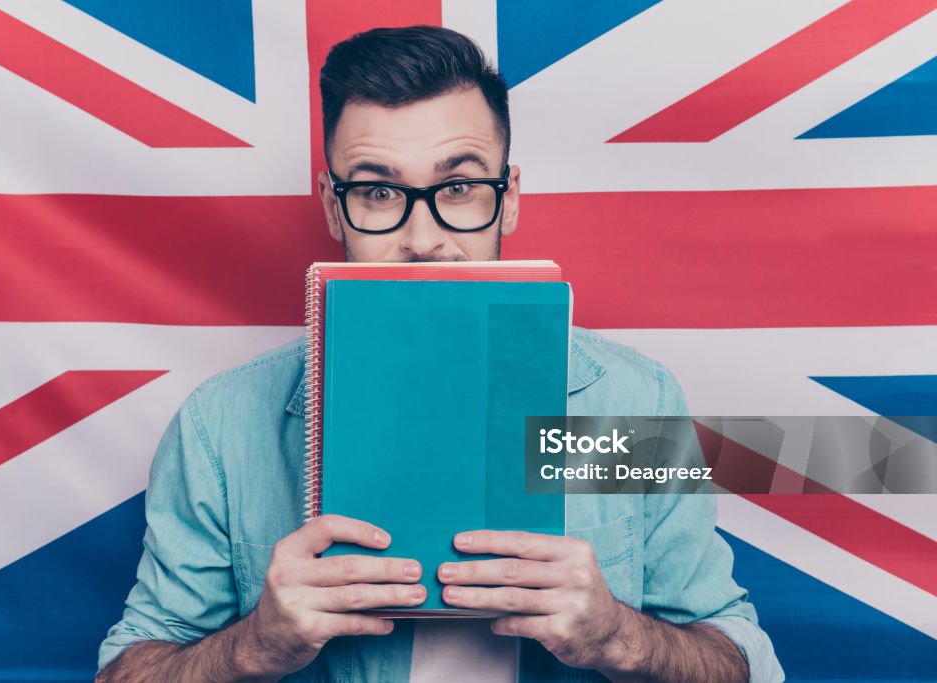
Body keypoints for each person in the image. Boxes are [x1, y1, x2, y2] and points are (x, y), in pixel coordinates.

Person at [96, 26, 783, 683]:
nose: (422, 238)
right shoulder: (223, 425)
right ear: (334, 208)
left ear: (508, 199)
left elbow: (743, 659)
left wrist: (617, 636)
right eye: (377, 191)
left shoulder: (635, 404)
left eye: (458, 187)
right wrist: (254, 644)